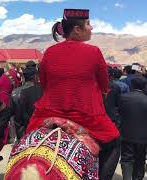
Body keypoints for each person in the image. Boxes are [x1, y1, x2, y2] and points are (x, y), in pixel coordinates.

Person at [26, 9, 119, 180]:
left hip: (47, 114)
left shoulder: (49, 52)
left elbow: (45, 84)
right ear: (77, 29)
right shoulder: (94, 51)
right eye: (89, 24)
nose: (92, 28)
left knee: (26, 137)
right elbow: (104, 85)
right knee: (114, 141)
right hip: (87, 117)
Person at [118, 76, 147, 180]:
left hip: (126, 134)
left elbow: (120, 113)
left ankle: (126, 178)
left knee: (126, 158)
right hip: (143, 137)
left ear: (132, 84)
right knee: (140, 159)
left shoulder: (123, 97)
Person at [11, 66, 42, 140]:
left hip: (24, 135)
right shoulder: (40, 91)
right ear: (35, 76)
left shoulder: (14, 92)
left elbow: (14, 118)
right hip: (38, 134)